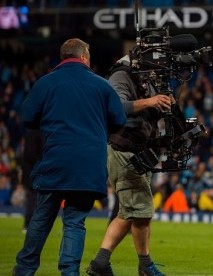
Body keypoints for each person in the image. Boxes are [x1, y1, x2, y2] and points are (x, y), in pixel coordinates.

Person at [13, 38, 126, 276]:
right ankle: (69, 272)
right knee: (75, 222)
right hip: (88, 166)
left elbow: (27, 117)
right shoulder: (102, 85)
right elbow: (119, 121)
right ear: (84, 57)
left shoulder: (46, 83)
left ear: (63, 57)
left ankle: (24, 270)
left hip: (56, 161)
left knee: (41, 220)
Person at [86, 54, 173, 276]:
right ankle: (143, 265)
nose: (156, 71)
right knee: (141, 210)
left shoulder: (145, 79)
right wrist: (150, 101)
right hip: (123, 150)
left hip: (138, 151)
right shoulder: (121, 75)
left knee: (130, 212)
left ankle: (101, 263)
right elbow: (116, 107)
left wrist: (161, 105)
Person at [20, 129, 44, 233]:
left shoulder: (30, 132)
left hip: (30, 172)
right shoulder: (36, 132)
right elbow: (31, 154)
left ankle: (31, 224)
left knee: (33, 199)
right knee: (33, 200)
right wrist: (43, 163)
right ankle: (29, 224)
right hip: (33, 173)